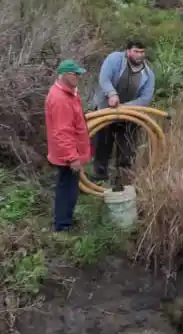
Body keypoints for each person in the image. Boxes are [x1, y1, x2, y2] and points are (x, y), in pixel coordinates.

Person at [91, 40, 155, 185]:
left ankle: (122, 179)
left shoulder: (148, 74)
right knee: (103, 145)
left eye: (142, 52)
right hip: (105, 110)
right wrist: (112, 94)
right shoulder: (115, 59)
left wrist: (125, 107)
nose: (139, 55)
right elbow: (104, 78)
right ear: (128, 51)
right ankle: (99, 178)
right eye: (136, 51)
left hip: (130, 115)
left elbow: (145, 98)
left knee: (127, 148)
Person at [45, 59, 92, 232]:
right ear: (64, 75)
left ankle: (65, 220)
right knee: (67, 190)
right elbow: (62, 132)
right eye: (75, 74)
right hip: (67, 155)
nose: (78, 77)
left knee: (68, 187)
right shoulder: (60, 99)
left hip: (68, 152)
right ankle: (63, 225)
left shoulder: (68, 93)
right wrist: (72, 158)